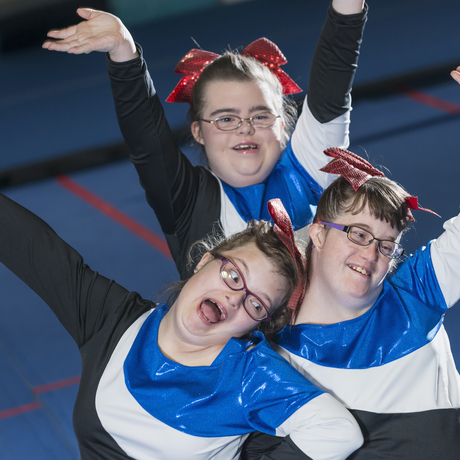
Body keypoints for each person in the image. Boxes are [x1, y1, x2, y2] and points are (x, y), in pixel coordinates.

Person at [0, 191, 363, 459]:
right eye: (233, 274)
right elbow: (31, 246)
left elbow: (337, 432)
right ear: (205, 260)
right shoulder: (113, 320)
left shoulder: (250, 376)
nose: (234, 298)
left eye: (255, 303)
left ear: (259, 323)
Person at [42, 0, 368, 279]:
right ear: (198, 130)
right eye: (226, 118)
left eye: (260, 116)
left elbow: (332, 84)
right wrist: (124, 53)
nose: (245, 128)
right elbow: (148, 142)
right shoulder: (188, 201)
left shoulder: (311, 171)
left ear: (283, 124)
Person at [243, 145, 460, 459]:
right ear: (318, 234)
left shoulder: (417, 290)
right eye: (358, 234)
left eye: (387, 245)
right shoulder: (269, 355)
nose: (371, 255)